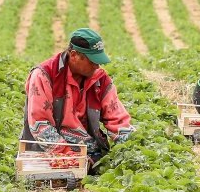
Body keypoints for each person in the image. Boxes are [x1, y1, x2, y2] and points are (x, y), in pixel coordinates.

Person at [22, 28, 134, 169]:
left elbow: (118, 120)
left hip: (88, 151)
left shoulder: (100, 80)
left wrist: (132, 147)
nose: (97, 65)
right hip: (46, 151)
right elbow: (39, 124)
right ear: (74, 55)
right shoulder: (44, 75)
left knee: (98, 165)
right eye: (92, 61)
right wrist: (67, 155)